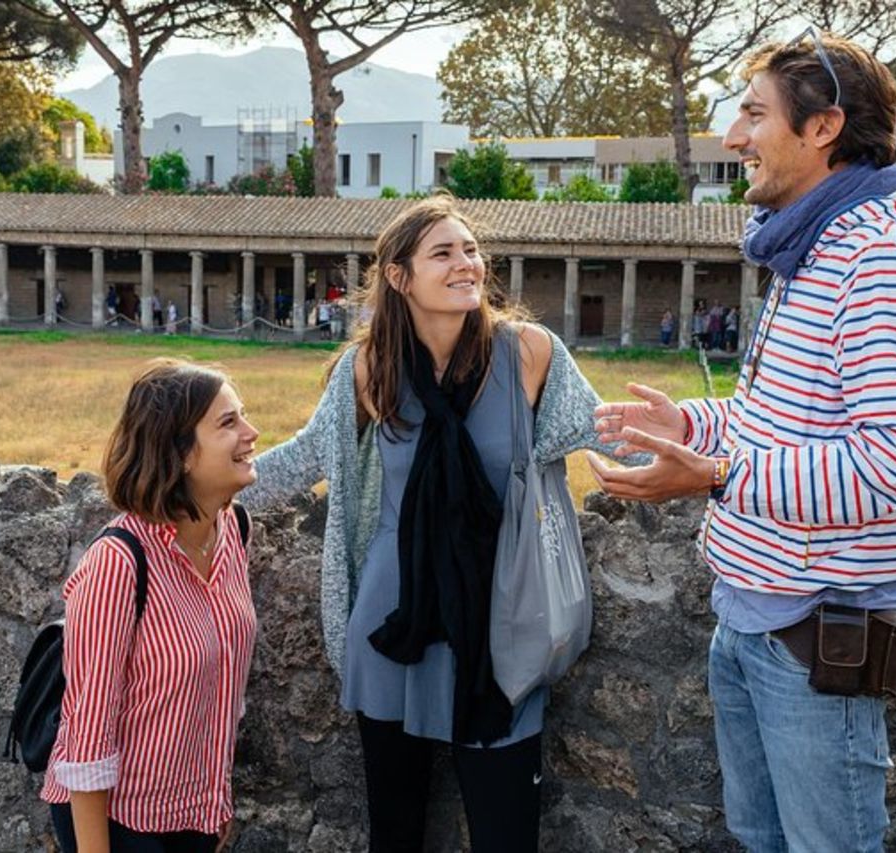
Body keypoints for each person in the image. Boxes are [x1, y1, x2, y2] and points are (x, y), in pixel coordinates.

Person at [587, 31, 896, 853]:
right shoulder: (814, 249)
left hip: (813, 642)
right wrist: (690, 425)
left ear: (823, 128)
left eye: (754, 113)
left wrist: (716, 476)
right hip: (754, 624)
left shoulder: (879, 259)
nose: (733, 136)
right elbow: (779, 417)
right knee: (761, 839)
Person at [240, 195, 633, 852]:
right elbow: (309, 455)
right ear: (400, 276)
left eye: (471, 250)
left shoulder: (528, 354)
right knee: (395, 834)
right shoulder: (369, 368)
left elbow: (607, 430)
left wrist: (712, 465)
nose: (466, 264)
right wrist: (198, 490)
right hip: (394, 626)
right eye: (444, 253)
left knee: (506, 833)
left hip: (500, 622)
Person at [40, 359, 260, 853]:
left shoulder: (234, 532)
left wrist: (213, 801)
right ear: (178, 453)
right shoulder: (118, 562)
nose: (252, 432)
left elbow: (222, 690)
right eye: (228, 423)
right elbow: (88, 733)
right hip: (121, 823)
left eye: (243, 415)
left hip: (194, 813)